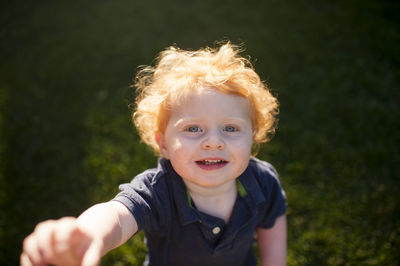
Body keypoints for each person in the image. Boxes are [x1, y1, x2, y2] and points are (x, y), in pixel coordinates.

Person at [20, 42, 287, 266]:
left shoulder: (263, 181)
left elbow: (272, 227)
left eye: (230, 128)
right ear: (164, 144)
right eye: (193, 128)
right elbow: (117, 216)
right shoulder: (156, 192)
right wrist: (88, 234)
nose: (214, 142)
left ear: (252, 137)